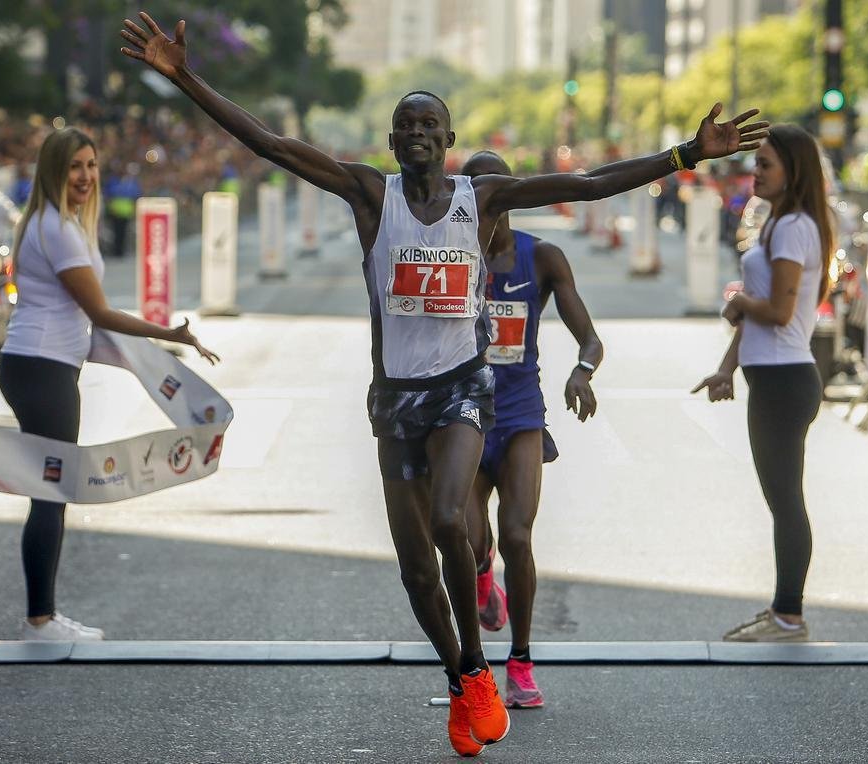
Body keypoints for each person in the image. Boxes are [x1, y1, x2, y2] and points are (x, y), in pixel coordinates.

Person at [120, 11, 765, 755]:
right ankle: (463, 673)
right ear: (394, 143)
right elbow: (268, 141)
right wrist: (183, 77)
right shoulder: (369, 195)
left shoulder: (480, 200)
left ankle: (482, 670)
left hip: (465, 388)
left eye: (431, 123)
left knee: (453, 521)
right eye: (407, 124)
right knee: (415, 572)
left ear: (449, 141)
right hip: (395, 400)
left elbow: (589, 183)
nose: (419, 132)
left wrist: (686, 153)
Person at [1, 126, 217, 641]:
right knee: (50, 492)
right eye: (75, 166)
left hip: (43, 365)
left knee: (50, 490)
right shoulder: (55, 228)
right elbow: (96, 312)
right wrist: (168, 333)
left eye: (92, 165)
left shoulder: (60, 224)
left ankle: (45, 616)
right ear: (55, 171)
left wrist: (145, 357)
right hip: (41, 369)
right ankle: (40, 620)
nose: (85, 176)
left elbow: (79, 324)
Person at [460, 150, 602, 709]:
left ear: (513, 194)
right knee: (467, 541)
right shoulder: (450, 259)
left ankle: (519, 661)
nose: (486, 201)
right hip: (462, 414)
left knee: (519, 536)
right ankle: (478, 574)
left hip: (519, 414)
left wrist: (582, 372)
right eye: (474, 191)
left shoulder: (541, 258)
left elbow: (588, 337)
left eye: (497, 189)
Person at [692, 125, 833, 642]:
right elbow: (759, 306)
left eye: (766, 164)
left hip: (785, 381)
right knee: (781, 499)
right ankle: (782, 609)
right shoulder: (778, 224)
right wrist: (728, 365)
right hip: (771, 377)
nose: (756, 171)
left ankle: (788, 615)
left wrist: (739, 302)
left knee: (786, 501)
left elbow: (775, 309)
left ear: (793, 172)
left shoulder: (795, 226)